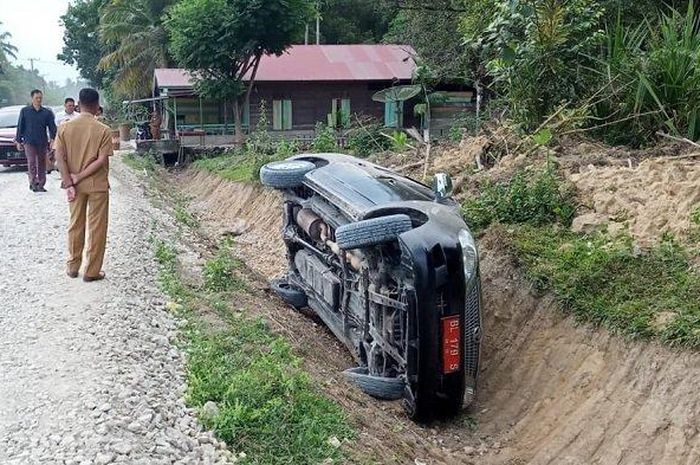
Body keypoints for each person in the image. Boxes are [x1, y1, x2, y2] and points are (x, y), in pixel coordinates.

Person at [54, 88, 114, 282]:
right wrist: (79, 177)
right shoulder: (103, 130)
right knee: (97, 227)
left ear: (78, 105)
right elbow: (101, 160)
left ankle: (73, 267)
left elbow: (59, 158)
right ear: (97, 106)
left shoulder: (64, 127)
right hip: (97, 185)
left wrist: (70, 181)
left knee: (75, 224)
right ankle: (92, 271)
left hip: (74, 186)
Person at [15, 89, 57, 192]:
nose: (39, 100)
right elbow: (20, 126)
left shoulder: (47, 112)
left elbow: (52, 127)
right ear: (32, 98)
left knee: (42, 163)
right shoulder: (25, 111)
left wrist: (52, 140)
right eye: (36, 98)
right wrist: (18, 141)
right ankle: (33, 182)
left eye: (40, 98)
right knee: (31, 162)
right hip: (29, 141)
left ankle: (41, 184)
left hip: (42, 141)